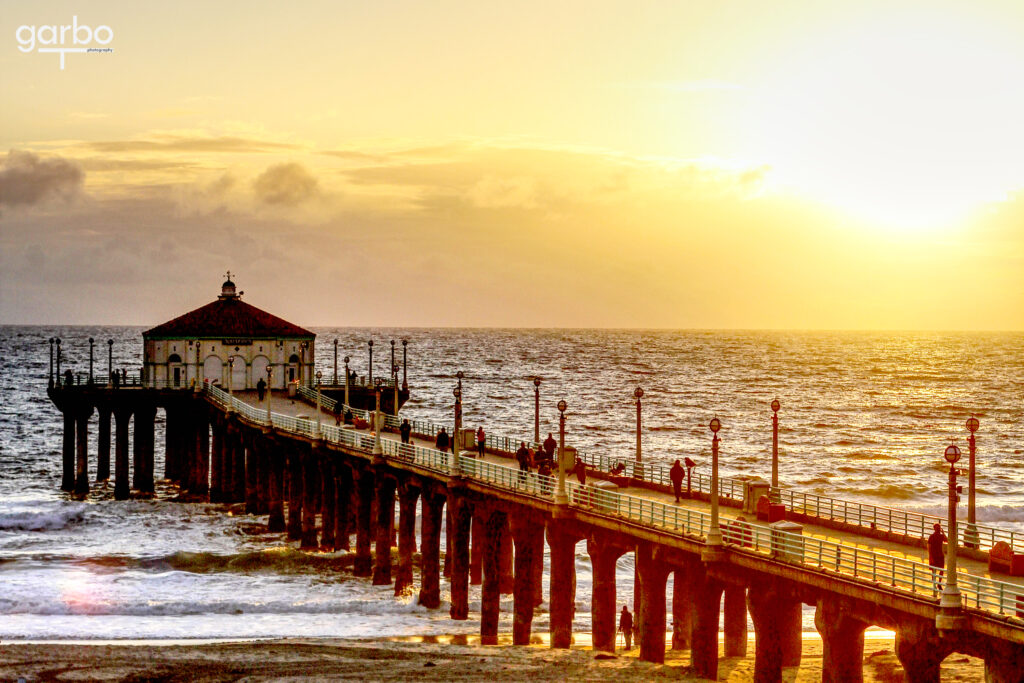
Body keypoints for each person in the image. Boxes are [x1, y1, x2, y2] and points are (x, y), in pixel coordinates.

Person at [928, 523, 947, 594]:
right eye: (937, 528)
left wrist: (943, 533)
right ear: (934, 529)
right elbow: (929, 547)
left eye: (939, 528)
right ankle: (935, 584)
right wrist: (930, 557)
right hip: (934, 555)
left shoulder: (941, 536)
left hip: (940, 555)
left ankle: (939, 584)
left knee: (941, 570)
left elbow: (947, 540)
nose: (938, 529)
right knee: (934, 571)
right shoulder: (931, 537)